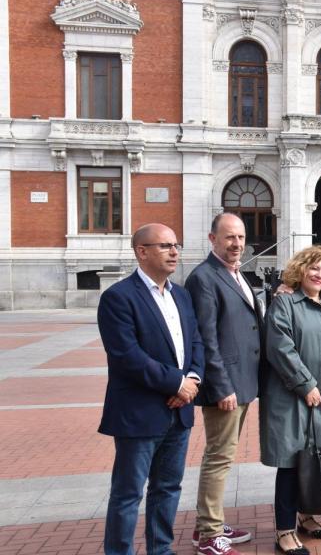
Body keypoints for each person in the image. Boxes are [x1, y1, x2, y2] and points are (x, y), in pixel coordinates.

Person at [97, 224, 204, 555]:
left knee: (168, 488)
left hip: (179, 412)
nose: (175, 252)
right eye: (165, 246)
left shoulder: (181, 294)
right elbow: (127, 357)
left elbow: (195, 342)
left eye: (176, 244)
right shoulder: (118, 297)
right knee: (128, 493)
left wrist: (194, 380)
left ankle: (161, 549)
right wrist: (177, 383)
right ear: (141, 251)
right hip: (139, 413)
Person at [262, 245, 321, 555]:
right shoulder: (285, 304)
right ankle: (285, 531)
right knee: (292, 464)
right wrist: (305, 385)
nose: (319, 274)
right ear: (301, 269)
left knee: (317, 460)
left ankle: (307, 515)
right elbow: (280, 348)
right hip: (293, 400)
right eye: (313, 268)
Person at [185, 213, 261, 555]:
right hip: (227, 386)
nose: (237, 244)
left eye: (241, 237)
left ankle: (211, 522)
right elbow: (206, 337)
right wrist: (221, 386)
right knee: (218, 457)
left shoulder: (235, 273)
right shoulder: (204, 277)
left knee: (223, 456)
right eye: (229, 237)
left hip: (243, 382)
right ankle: (208, 534)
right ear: (212, 238)